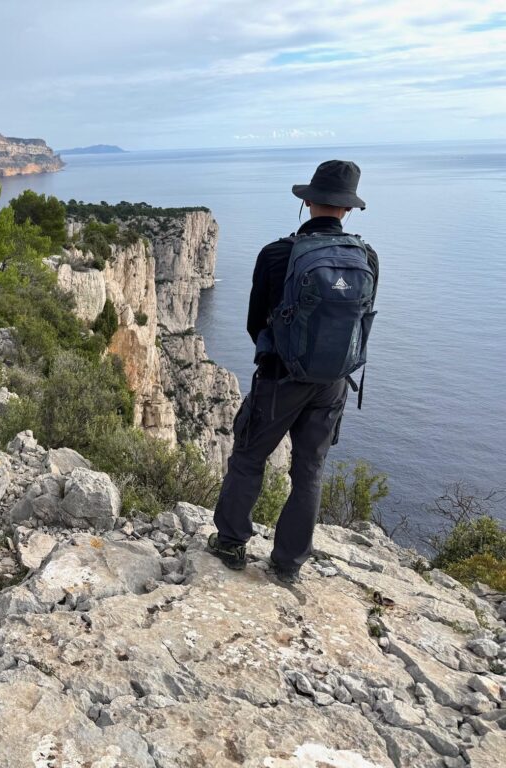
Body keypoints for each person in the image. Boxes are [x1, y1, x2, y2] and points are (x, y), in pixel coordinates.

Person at [208, 160, 379, 583]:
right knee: (309, 470)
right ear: (349, 209)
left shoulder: (277, 253)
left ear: (306, 201)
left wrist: (281, 355)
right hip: (333, 383)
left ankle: (231, 543)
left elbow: (254, 323)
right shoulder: (367, 257)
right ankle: (287, 565)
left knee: (249, 456)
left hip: (281, 377)